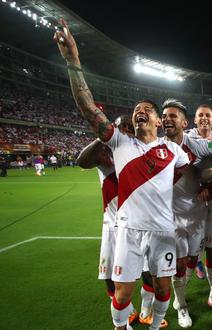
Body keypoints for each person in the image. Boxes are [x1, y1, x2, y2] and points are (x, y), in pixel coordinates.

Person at [55, 19, 190, 330]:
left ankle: (155, 326)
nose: (139, 111)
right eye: (136, 109)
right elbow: (89, 109)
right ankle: (122, 327)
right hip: (127, 231)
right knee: (122, 292)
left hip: (162, 232)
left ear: (158, 121)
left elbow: (185, 177)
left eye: (147, 109)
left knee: (162, 289)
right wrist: (73, 61)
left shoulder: (174, 151)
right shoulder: (119, 141)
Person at [77, 116, 156, 328]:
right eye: (124, 128)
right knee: (111, 278)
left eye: (131, 129)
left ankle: (147, 312)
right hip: (113, 228)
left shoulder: (142, 156)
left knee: (149, 274)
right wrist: (102, 137)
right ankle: (126, 317)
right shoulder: (106, 159)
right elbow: (81, 161)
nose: (127, 132)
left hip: (140, 226)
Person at [160, 99, 212, 327]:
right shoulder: (156, 146)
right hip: (171, 216)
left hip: (197, 213)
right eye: (165, 116)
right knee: (179, 264)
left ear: (183, 122)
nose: (167, 120)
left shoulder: (197, 143)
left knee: (192, 259)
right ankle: (182, 306)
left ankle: (186, 293)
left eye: (173, 116)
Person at [187, 104, 212, 308]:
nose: (204, 118)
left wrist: (209, 189)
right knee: (190, 250)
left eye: (208, 116)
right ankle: (180, 296)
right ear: (194, 120)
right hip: (191, 202)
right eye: (200, 115)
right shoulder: (186, 139)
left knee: (211, 249)